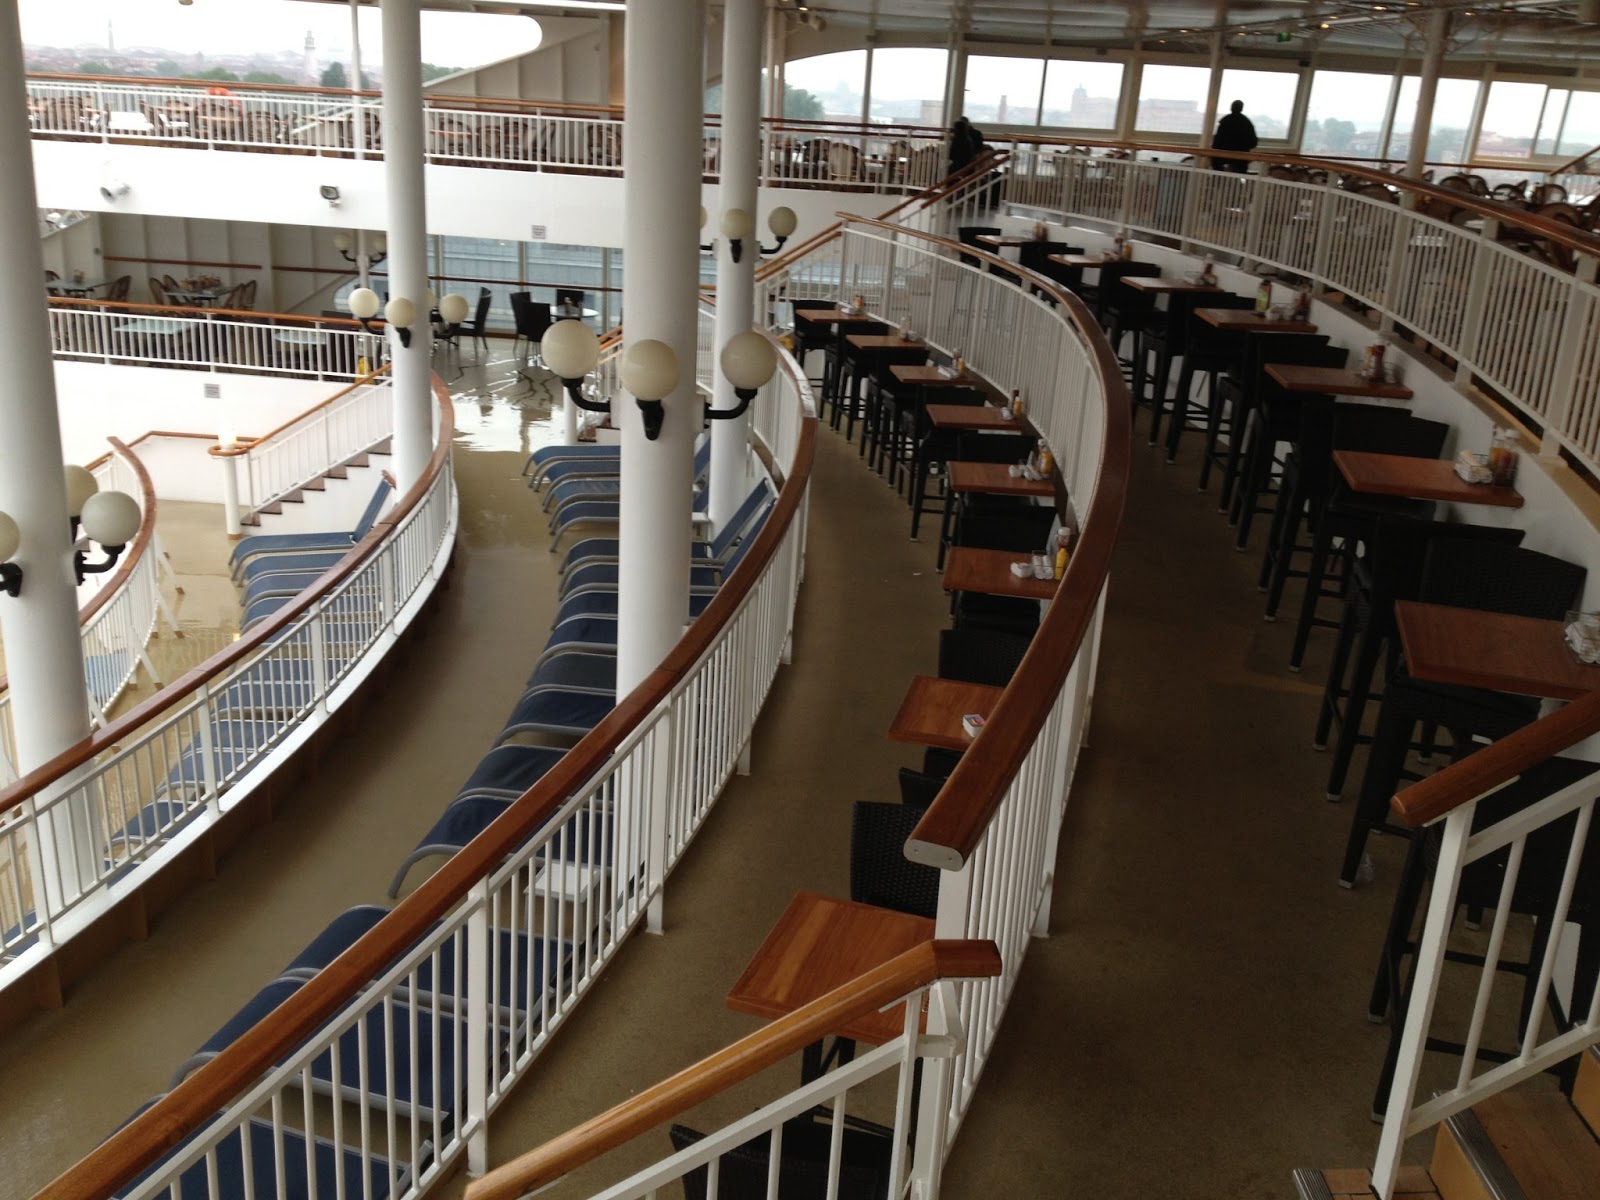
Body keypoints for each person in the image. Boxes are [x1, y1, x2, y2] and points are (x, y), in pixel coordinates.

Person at [1211, 100, 1258, 173]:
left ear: (1231, 108)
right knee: (1238, 177)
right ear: (1241, 108)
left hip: (1222, 157)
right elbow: (1253, 142)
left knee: (1219, 177)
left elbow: (1217, 141)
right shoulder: (1246, 123)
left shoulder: (1225, 121)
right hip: (1240, 158)